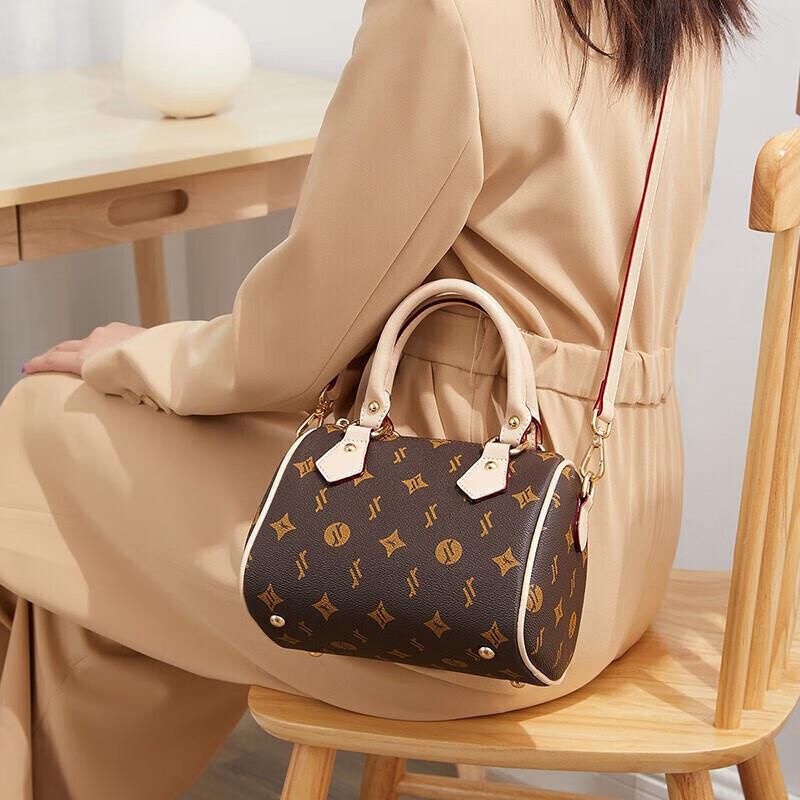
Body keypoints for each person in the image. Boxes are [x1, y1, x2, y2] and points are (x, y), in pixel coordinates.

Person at [0, 0, 751, 797]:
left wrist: (142, 354)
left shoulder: (448, 14)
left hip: (471, 570)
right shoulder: (682, 18)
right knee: (108, 565)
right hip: (604, 547)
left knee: (39, 425)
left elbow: (302, 335)